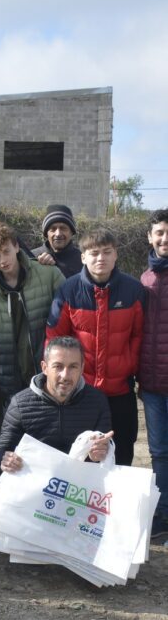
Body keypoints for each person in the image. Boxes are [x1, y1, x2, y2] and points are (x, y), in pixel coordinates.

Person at [46, 230, 145, 466]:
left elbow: (139, 336)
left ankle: (117, 502)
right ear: (83, 257)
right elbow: (55, 338)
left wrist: (129, 365)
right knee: (82, 454)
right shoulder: (68, 290)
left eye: (107, 252)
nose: (101, 258)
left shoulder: (133, 290)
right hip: (81, 390)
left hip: (120, 388)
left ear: (116, 255)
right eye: (94, 253)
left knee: (122, 451)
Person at [0, 221, 65, 405]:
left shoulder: (50, 274)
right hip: (9, 384)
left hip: (50, 376)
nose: (3, 260)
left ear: (16, 246)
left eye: (6, 251)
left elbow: (70, 319)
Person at [0, 337, 113, 472]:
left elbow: (104, 448)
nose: (65, 375)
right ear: (45, 368)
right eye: (58, 366)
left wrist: (97, 454)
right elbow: (2, 449)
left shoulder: (97, 401)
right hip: (35, 481)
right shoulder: (20, 403)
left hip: (79, 483)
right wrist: (6, 460)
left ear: (82, 368)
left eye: (73, 367)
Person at [139, 209, 168, 537]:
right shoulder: (144, 280)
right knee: (159, 453)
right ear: (150, 237)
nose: (164, 239)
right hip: (151, 384)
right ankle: (161, 517)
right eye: (159, 232)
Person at [31, 204, 83, 278]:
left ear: (71, 232)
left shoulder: (82, 260)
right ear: (46, 233)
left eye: (63, 228)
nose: (58, 234)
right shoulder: (33, 258)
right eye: (53, 229)